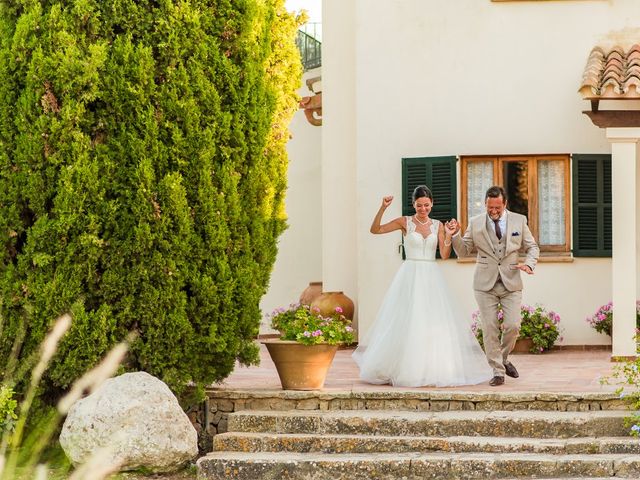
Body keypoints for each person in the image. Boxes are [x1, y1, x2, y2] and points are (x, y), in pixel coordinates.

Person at [352, 186, 493, 387]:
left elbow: (444, 255)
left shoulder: (438, 225)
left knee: (431, 321)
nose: (423, 208)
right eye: (419, 205)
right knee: (407, 320)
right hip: (409, 275)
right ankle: (403, 368)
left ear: (432, 204)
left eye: (426, 205)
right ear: (414, 205)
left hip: (431, 276)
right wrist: (382, 208)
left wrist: (451, 234)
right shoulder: (405, 222)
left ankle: (430, 368)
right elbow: (375, 230)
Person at [448, 185, 539, 386]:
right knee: (490, 328)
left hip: (511, 281)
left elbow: (532, 247)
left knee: (513, 326)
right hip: (484, 284)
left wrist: (529, 264)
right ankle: (497, 371)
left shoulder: (519, 220)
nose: (494, 211)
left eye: (498, 208)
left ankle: (503, 359)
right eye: (490, 208)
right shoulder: (476, 222)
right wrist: (455, 235)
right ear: (486, 204)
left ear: (504, 204)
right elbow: (464, 252)